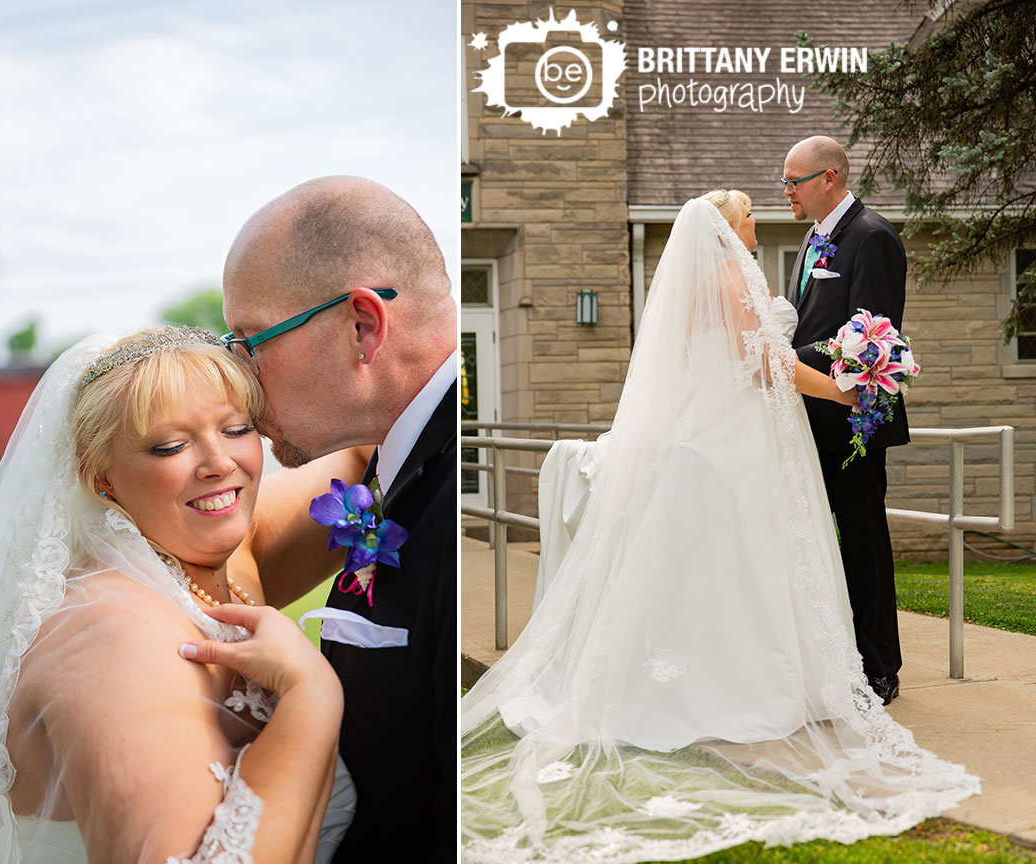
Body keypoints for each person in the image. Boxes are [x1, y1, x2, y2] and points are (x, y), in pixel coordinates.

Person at [460, 193, 978, 863]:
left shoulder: (707, 280)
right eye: (749, 215)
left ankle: (719, 668)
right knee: (750, 556)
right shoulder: (733, 276)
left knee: (725, 561)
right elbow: (770, 363)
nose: (758, 222)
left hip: (727, 427)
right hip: (740, 436)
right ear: (730, 227)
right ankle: (740, 681)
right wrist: (845, 389)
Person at [0, 326, 358, 863]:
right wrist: (312, 696)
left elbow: (367, 453)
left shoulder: (218, 559)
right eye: (170, 446)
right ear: (100, 477)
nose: (219, 463)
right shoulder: (110, 635)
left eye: (235, 428)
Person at [221, 176, 457, 863]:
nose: (237, 379)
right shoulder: (387, 456)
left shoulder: (447, 494)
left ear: (362, 325)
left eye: (249, 340)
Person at [783, 135, 909, 704]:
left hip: (854, 422)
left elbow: (867, 338)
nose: (786, 191)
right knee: (820, 545)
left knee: (862, 539)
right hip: (811, 417)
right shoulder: (814, 240)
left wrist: (783, 360)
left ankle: (880, 667)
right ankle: (840, 659)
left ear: (828, 178)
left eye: (794, 181)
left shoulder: (872, 237)